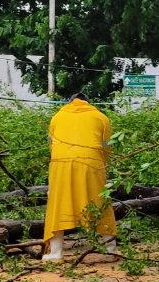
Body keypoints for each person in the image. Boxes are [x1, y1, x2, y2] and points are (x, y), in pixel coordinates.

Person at [42, 93, 118, 261]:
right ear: (88, 103)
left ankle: (56, 253)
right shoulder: (101, 117)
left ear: (70, 102)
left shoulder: (57, 117)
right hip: (91, 163)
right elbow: (106, 147)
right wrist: (101, 164)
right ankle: (111, 250)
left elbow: (51, 144)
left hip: (60, 163)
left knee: (58, 204)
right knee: (100, 202)